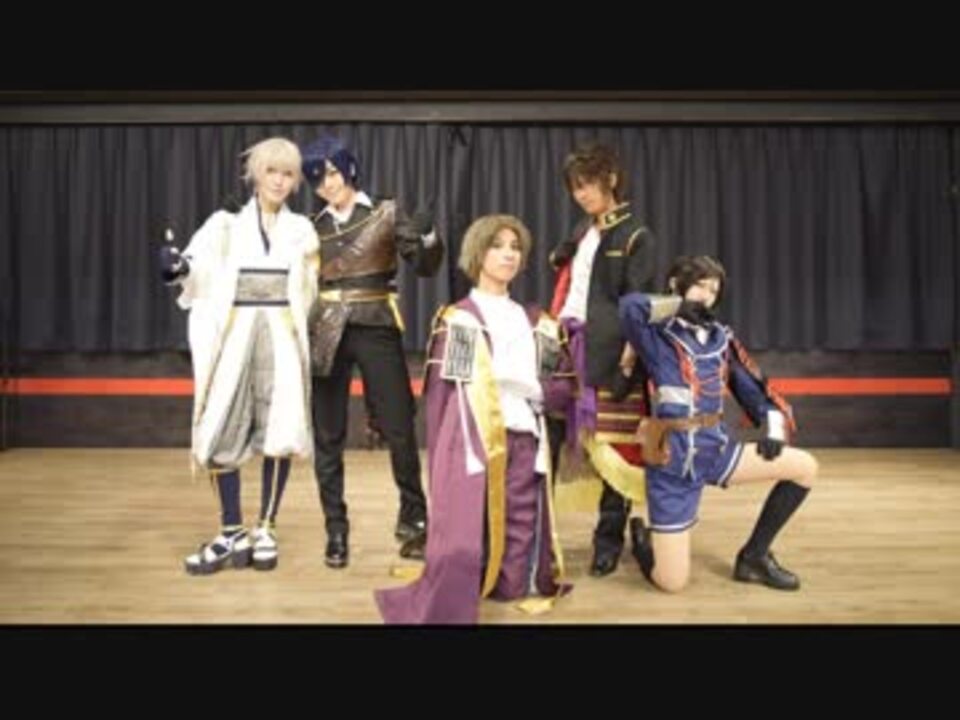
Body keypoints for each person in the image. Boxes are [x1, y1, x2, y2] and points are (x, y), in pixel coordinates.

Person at [374, 214, 574, 623]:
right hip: (477, 438)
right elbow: (450, 396)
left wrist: (531, 389)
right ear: (478, 254)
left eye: (515, 248)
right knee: (466, 537)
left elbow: (559, 384)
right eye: (498, 246)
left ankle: (506, 576)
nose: (508, 255)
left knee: (515, 570)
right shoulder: (462, 318)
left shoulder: (536, 321)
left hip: (526, 434)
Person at [160, 136, 319, 575]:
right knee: (221, 425)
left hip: (282, 335)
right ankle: (231, 530)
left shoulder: (301, 229)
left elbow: (310, 287)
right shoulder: (224, 225)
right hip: (234, 336)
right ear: (255, 174)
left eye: (288, 174)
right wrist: (179, 267)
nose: (279, 181)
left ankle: (266, 528)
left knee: (279, 428)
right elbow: (195, 265)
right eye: (272, 171)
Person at [618, 255, 818, 592]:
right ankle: (643, 539)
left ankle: (754, 557)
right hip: (672, 463)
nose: (707, 296)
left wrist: (772, 428)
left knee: (805, 468)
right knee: (671, 583)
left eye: (713, 290)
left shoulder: (720, 339)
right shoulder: (655, 334)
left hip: (717, 450)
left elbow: (754, 390)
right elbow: (628, 306)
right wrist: (678, 306)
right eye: (700, 285)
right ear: (676, 284)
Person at [300, 135, 444, 568]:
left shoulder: (386, 211)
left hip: (377, 323)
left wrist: (428, 236)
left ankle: (414, 520)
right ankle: (335, 530)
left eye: (332, 172)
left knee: (399, 426)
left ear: (349, 168)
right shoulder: (309, 226)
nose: (327, 183)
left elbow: (425, 267)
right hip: (325, 328)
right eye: (316, 178)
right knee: (328, 434)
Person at [547, 141, 657, 577]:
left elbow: (638, 304)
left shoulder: (636, 236)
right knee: (551, 440)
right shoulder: (581, 232)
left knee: (616, 449)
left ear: (610, 179)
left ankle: (608, 541)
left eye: (588, 184)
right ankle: (539, 536)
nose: (582, 194)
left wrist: (629, 360)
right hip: (565, 345)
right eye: (576, 187)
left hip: (611, 352)